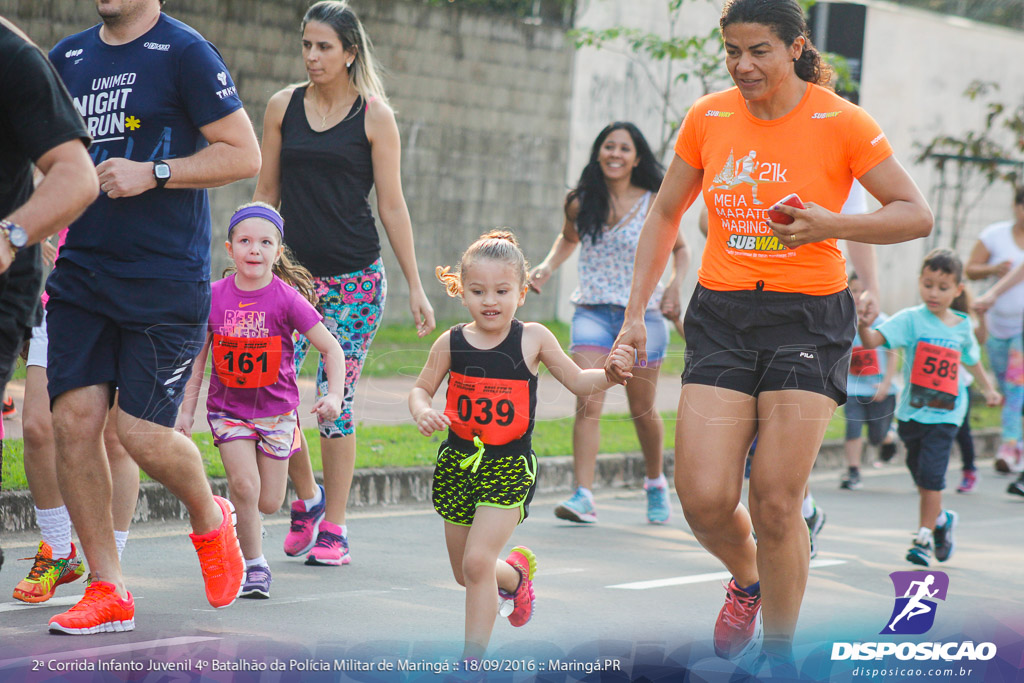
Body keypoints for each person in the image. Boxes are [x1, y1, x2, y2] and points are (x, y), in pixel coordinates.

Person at [604, 0, 933, 668]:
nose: (744, 64)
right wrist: (634, 313)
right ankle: (749, 576)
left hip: (807, 318)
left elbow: (914, 214)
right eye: (733, 51)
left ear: (795, 48)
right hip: (722, 316)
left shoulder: (842, 122)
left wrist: (831, 225)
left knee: (777, 498)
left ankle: (778, 654)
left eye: (759, 50)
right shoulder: (709, 115)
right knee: (702, 499)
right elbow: (667, 211)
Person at [45, 0, 261, 633]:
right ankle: (108, 586)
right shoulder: (68, 57)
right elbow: (47, 155)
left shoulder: (186, 52)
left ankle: (209, 515)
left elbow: (242, 153)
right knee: (73, 422)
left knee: (138, 434)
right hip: (82, 270)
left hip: (163, 277)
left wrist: (156, 172)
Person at [252, 0, 436, 566]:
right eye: (306, 45)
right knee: (271, 391)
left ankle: (335, 526)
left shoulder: (375, 116)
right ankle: (307, 498)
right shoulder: (282, 107)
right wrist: (253, 258)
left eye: (324, 46)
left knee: (337, 399)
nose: (312, 56)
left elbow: (393, 205)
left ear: (350, 52)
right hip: (292, 279)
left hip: (356, 281)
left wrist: (414, 283)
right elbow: (266, 192)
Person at [409, 230, 633, 660]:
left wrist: (608, 373)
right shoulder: (451, 342)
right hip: (458, 466)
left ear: (522, 291)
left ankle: (470, 663)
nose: (489, 300)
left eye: (501, 290)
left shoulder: (533, 338)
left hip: (507, 467)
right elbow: (421, 389)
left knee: (476, 564)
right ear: (462, 291)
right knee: (466, 573)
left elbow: (578, 381)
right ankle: (513, 579)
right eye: (478, 291)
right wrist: (422, 411)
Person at [176, 204, 346, 599]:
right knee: (244, 487)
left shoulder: (286, 299)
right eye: (245, 241)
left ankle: (312, 497)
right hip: (228, 412)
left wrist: (333, 394)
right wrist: (186, 411)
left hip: (276, 414)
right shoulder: (213, 297)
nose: (255, 250)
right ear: (229, 248)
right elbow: (197, 359)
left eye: (265, 242)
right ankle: (254, 566)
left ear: (278, 251)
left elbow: (332, 349)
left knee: (269, 501)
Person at [528, 122, 687, 525]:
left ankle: (654, 482)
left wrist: (673, 287)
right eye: (608, 147)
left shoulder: (656, 201)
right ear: (599, 153)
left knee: (641, 408)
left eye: (624, 148)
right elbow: (569, 238)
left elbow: (680, 251)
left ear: (637, 158)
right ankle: (583, 495)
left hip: (643, 317)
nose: (615, 154)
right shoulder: (582, 201)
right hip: (594, 312)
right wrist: (546, 268)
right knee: (587, 400)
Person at [0, 15, 98, 576]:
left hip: (75, 282)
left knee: (105, 433)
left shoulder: (18, 59)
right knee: (39, 427)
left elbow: (75, 178)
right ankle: (59, 548)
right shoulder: (70, 55)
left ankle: (92, 560)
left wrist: (11, 237)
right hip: (50, 282)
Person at [14, 229, 138, 603]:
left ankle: (107, 570)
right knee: (38, 427)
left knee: (117, 439)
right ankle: (57, 550)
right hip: (61, 299)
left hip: (130, 298)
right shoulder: (66, 168)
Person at [857, 249, 1000, 566]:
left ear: (958, 290)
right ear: (920, 282)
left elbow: (973, 361)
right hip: (911, 415)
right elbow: (871, 343)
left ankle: (922, 538)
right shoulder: (910, 319)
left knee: (932, 478)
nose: (934, 293)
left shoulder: (961, 326)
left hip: (947, 416)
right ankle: (942, 519)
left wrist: (989, 390)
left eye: (943, 287)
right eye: (928, 285)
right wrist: (863, 324)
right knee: (921, 478)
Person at [965, 186, 1024, 474]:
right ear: (1014, 206)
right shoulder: (995, 235)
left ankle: (1008, 446)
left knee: (1016, 387)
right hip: (997, 324)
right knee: (1008, 386)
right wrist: (992, 271)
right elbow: (970, 268)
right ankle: (1018, 444)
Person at [841, 271, 898, 490]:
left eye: (862, 292)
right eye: (853, 291)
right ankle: (853, 471)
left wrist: (886, 383)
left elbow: (893, 353)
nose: (857, 296)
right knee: (853, 429)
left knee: (877, 436)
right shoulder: (843, 321)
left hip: (879, 389)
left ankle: (888, 437)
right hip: (853, 388)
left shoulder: (882, 321)